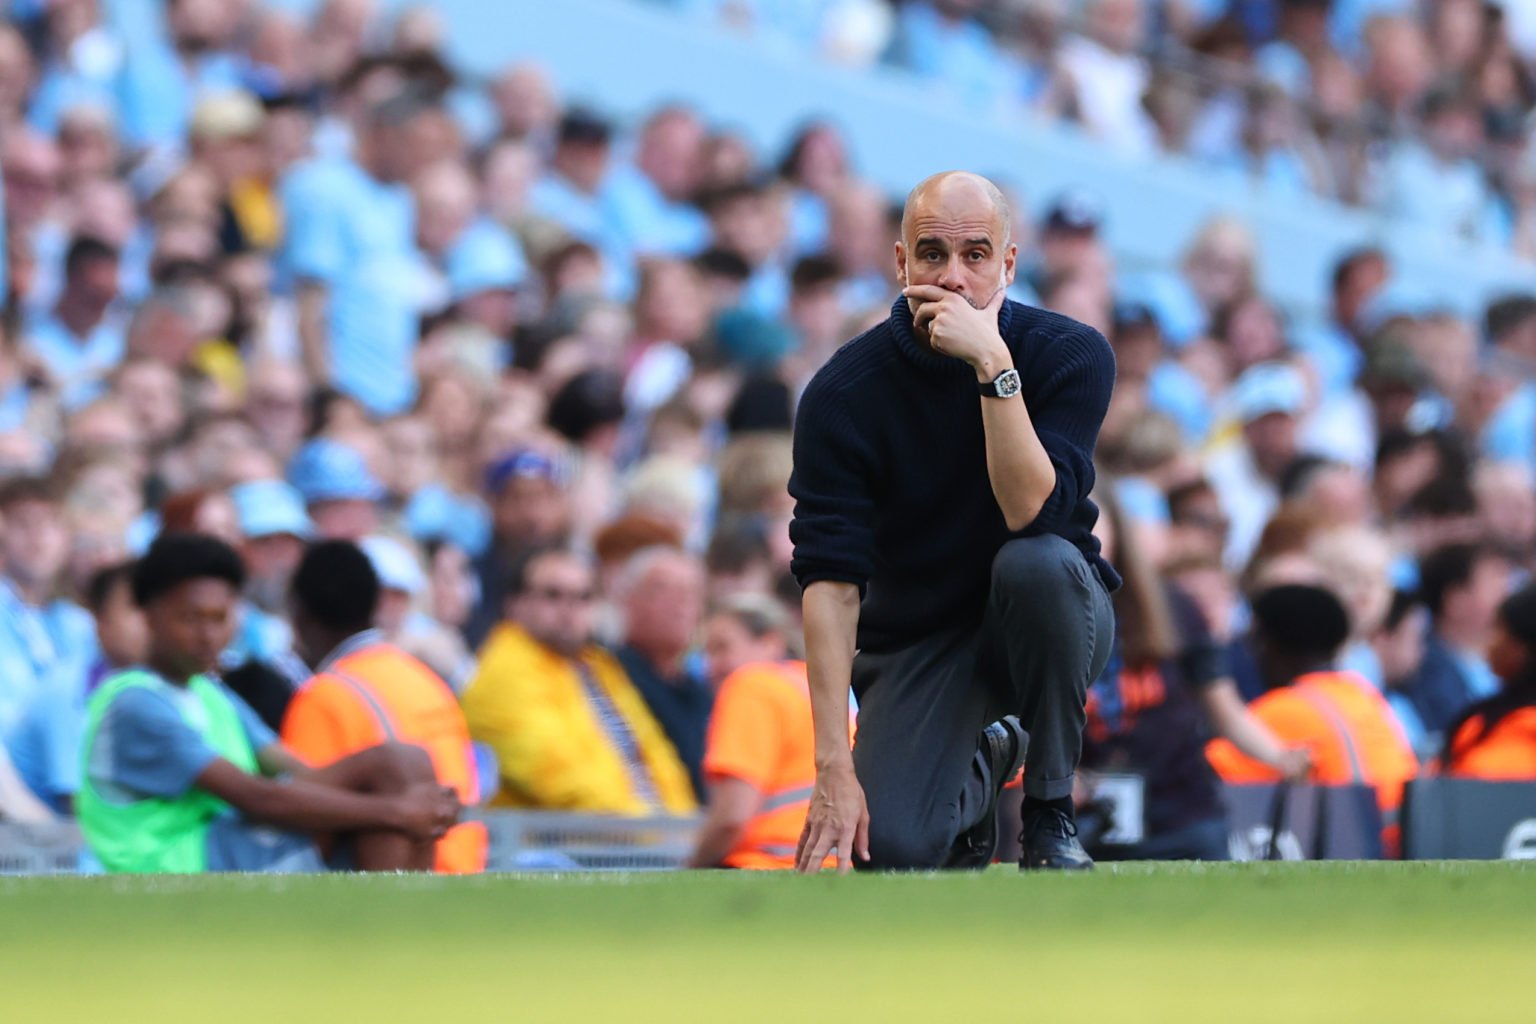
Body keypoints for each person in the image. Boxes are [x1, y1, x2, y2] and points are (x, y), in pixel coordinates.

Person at [789, 171, 1118, 873]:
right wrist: (833, 767)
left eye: (975, 255)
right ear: (901, 263)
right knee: (896, 854)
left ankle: (1050, 812)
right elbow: (829, 579)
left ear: (1009, 264)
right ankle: (985, 763)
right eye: (932, 254)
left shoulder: (1069, 353)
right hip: (917, 642)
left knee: (1036, 561)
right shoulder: (843, 394)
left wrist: (993, 365)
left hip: (1049, 614)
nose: (954, 277)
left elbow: (1031, 512)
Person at [77, 532, 461, 873]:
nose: (208, 635)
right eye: (191, 618)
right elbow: (256, 798)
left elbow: (300, 772)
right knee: (386, 793)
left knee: (402, 763)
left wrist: (405, 801)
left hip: (231, 848)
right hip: (181, 872)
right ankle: (397, 938)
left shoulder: (209, 693)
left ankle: (398, 929)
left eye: (220, 618)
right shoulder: (135, 704)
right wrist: (398, 810)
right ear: (149, 616)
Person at [1081, 481, 1308, 862]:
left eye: (1092, 521)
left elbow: (1223, 707)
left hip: (1182, 812)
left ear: (1118, 529)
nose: (1082, 535)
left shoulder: (1172, 607)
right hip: (1082, 817)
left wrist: (1279, 756)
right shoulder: (1037, 614)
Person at [280, 540, 486, 873]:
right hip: (462, 872)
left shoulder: (324, 695)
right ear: (375, 605)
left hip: (395, 886)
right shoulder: (424, 679)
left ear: (298, 614)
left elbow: (305, 821)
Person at [459, 547, 695, 815]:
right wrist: (659, 835)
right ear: (515, 603)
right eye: (552, 595)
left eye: (583, 597)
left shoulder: (597, 665)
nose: (569, 609)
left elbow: (655, 756)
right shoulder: (504, 672)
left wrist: (681, 830)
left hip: (636, 843)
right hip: (560, 849)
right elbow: (561, 784)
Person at [1205, 584, 1419, 834]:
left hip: (1356, 852)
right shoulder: (1363, 696)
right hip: (1401, 845)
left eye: (1254, 641)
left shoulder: (1285, 710)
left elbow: (1204, 779)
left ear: (1268, 644)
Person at [691, 595, 851, 870]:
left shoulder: (750, 686)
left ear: (770, 642)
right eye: (706, 652)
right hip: (838, 865)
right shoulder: (814, 687)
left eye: (722, 648)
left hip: (767, 865)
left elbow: (732, 818)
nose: (709, 666)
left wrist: (690, 869)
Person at [614, 546, 712, 800]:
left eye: (691, 593)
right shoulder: (605, 677)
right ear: (626, 600)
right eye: (661, 589)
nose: (680, 603)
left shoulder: (700, 691)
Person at [1439, 584, 1536, 780]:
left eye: (1500, 629)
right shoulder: (1483, 719)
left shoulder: (1520, 730)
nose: (1490, 643)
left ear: (1524, 644)